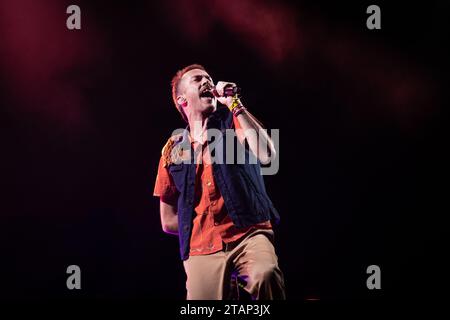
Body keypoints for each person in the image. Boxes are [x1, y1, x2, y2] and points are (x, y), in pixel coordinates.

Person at [153, 64, 285, 300]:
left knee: (265, 274)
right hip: (201, 248)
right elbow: (168, 220)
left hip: (248, 234)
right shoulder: (172, 150)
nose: (207, 82)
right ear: (182, 99)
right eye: (197, 79)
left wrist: (234, 103)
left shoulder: (233, 123)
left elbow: (267, 154)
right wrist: (197, 227)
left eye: (208, 78)